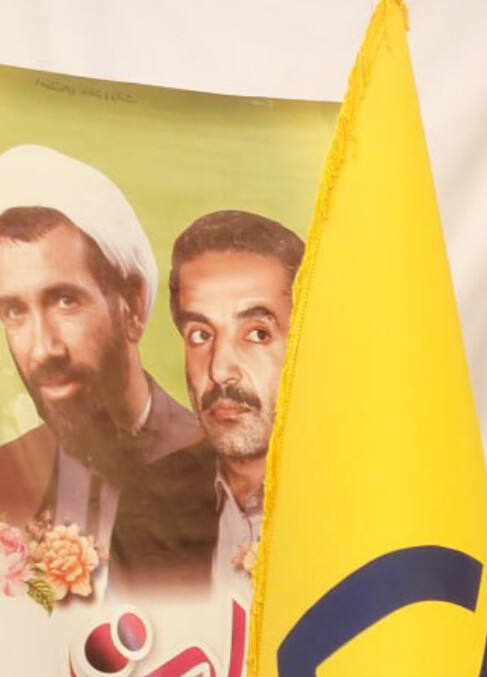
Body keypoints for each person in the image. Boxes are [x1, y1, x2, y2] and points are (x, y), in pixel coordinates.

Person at [0, 145, 200, 556]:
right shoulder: (8, 477)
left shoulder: (222, 476)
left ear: (132, 304)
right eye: (15, 311)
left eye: (65, 301)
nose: (42, 349)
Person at [112, 210, 302, 602]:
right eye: (200, 335)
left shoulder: (363, 496)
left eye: (256, 334)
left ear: (307, 342)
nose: (219, 370)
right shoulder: (150, 503)